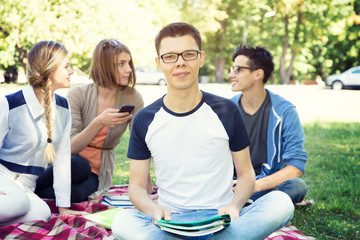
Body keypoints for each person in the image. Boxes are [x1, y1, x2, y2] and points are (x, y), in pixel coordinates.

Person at [111, 22, 294, 240]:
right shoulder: (145, 119)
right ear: (159, 63)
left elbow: (246, 175)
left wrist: (235, 206)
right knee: (122, 222)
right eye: (170, 56)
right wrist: (153, 210)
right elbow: (137, 187)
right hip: (170, 220)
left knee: (281, 203)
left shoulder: (227, 110)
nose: (180, 63)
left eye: (188, 54)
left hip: (222, 219)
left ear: (201, 58)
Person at [35, 39, 152, 203]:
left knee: (74, 195)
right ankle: (28, 186)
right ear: (105, 66)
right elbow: (70, 148)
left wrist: (148, 191)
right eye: (121, 64)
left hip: (96, 173)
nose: (128, 70)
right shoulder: (77, 95)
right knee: (79, 166)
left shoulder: (133, 98)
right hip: (69, 162)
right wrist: (99, 122)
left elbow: (140, 146)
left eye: (129, 63)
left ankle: (31, 193)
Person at [0, 40, 86, 226]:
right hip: (3, 179)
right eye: (66, 66)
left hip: (27, 187)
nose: (71, 72)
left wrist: (63, 207)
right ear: (50, 69)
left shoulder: (64, 107)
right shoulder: (10, 104)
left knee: (42, 212)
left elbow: (62, 159)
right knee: (19, 202)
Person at [229, 44, 308, 204]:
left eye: (238, 69)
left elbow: (296, 166)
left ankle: (248, 200)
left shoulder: (285, 111)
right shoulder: (227, 109)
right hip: (232, 183)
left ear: (258, 74)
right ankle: (256, 203)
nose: (231, 75)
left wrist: (253, 186)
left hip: (265, 184)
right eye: (232, 69)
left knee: (297, 186)